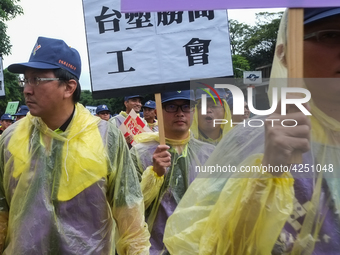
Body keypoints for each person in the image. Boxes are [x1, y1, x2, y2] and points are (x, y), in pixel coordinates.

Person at [164, 8, 340, 254]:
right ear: (285, 53)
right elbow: (205, 245)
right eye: (331, 35)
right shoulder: (248, 142)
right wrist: (266, 175)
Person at [0, 36, 150, 254]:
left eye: (37, 80)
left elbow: (128, 211)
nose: (26, 90)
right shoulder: (10, 139)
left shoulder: (106, 136)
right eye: (26, 80)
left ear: (69, 87)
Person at [130, 90, 215, 254]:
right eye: (171, 107)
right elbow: (129, 206)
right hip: (154, 247)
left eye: (186, 107)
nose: (180, 113)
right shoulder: (139, 153)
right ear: (157, 112)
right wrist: (154, 176)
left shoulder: (209, 153)